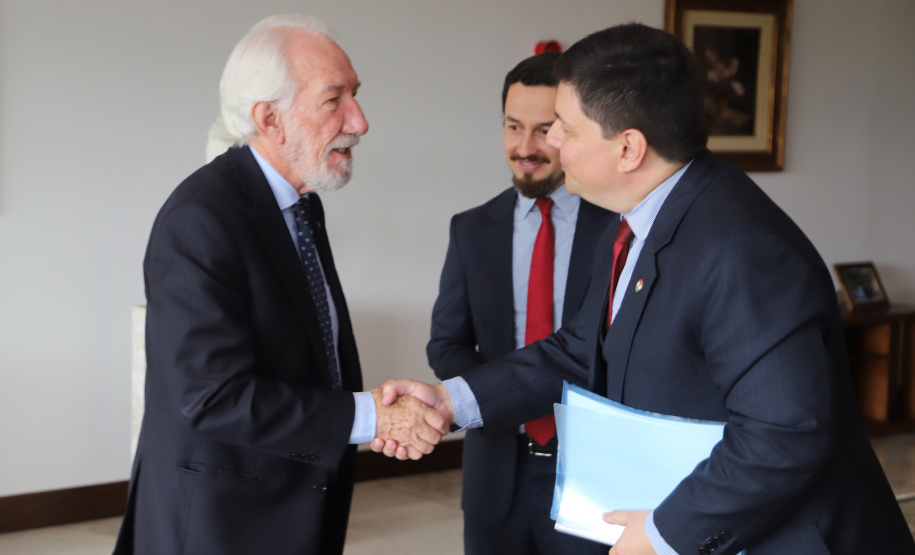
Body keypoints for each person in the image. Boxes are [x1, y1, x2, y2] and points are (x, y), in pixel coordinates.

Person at [374, 23, 915, 555]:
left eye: (564, 126)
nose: (550, 141)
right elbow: (579, 346)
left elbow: (782, 435)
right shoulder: (640, 213)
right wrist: (450, 400)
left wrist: (662, 535)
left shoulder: (740, 250)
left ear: (628, 148)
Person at [113, 15, 446, 555]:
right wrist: (369, 417)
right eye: (334, 99)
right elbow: (214, 396)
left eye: (355, 95)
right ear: (269, 118)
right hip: (221, 525)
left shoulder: (301, 204)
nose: (359, 122)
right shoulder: (201, 218)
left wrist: (367, 415)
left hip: (295, 501)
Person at [427, 52, 613, 555]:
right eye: (513, 126)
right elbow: (446, 343)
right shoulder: (470, 229)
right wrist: (506, 396)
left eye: (544, 129)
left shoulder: (620, 227)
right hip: (495, 476)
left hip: (593, 478)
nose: (525, 148)